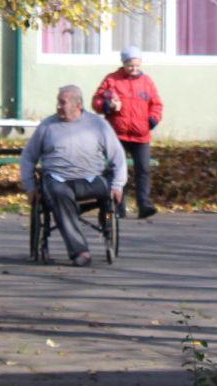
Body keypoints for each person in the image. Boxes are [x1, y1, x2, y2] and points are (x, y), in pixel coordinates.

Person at [19, 85, 128, 266]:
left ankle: (107, 224)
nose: (58, 106)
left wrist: (118, 184)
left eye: (63, 102)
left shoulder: (98, 125)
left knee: (108, 202)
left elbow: (118, 155)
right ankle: (80, 251)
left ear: (78, 104)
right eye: (58, 102)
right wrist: (30, 186)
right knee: (61, 194)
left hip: (91, 179)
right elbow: (28, 157)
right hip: (57, 179)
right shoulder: (48, 126)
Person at [92, 46, 164, 219]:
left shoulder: (147, 82)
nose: (134, 69)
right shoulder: (112, 80)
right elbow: (97, 101)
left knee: (143, 170)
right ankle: (117, 207)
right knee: (116, 170)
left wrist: (152, 120)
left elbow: (157, 104)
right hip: (118, 134)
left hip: (141, 134)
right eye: (130, 66)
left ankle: (144, 204)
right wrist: (108, 106)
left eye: (137, 66)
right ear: (123, 64)